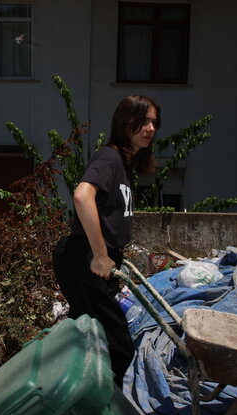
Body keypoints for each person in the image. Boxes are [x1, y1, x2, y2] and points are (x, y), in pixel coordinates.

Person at [52, 95, 160, 385]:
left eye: (154, 122)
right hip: (86, 260)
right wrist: (101, 255)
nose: (150, 128)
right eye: (144, 121)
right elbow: (81, 195)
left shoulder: (124, 165)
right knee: (118, 348)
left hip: (96, 262)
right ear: (126, 123)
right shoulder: (109, 157)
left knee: (86, 343)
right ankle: (100, 412)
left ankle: (73, 402)